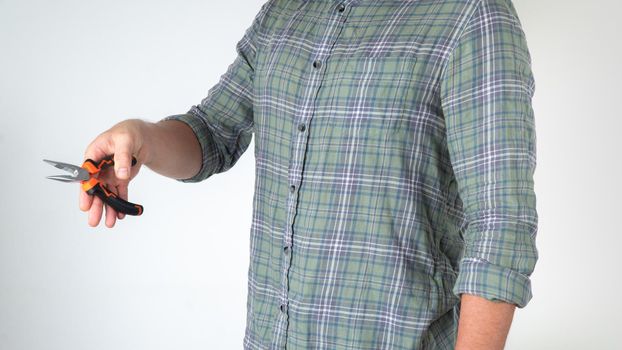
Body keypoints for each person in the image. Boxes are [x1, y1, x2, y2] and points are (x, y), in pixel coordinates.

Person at [81, 0, 538, 348]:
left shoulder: (472, 17)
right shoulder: (286, 11)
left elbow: (501, 228)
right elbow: (212, 134)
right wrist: (140, 138)